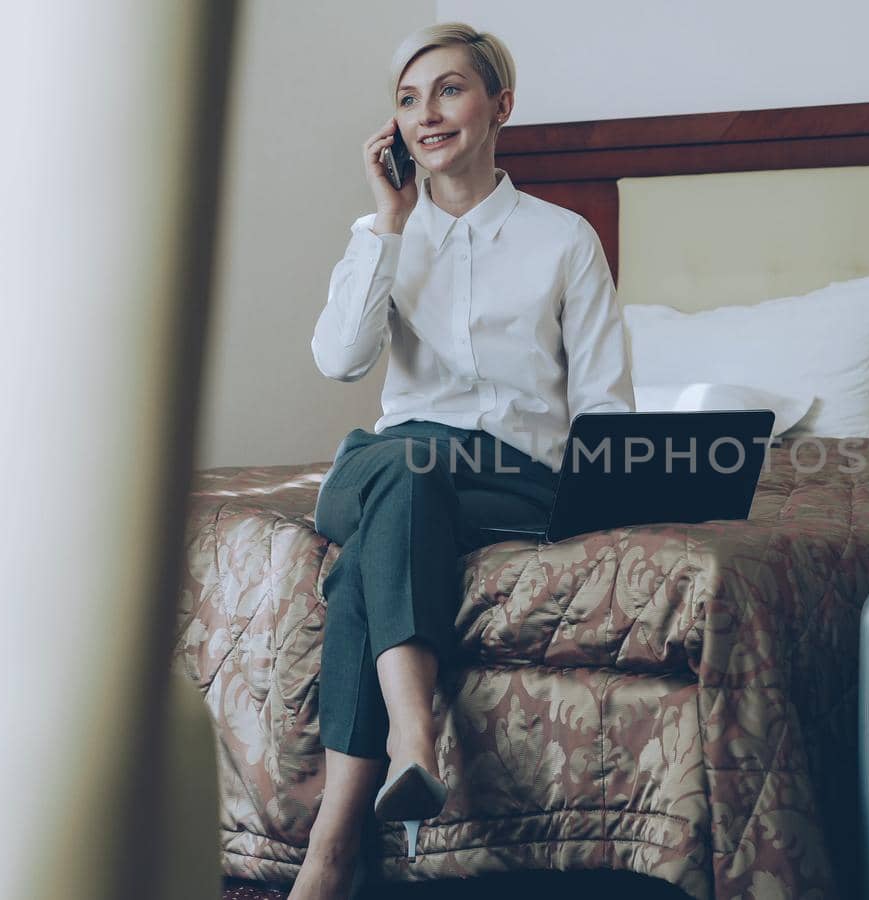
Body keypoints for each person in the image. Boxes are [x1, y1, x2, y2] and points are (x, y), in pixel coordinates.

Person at [288, 22, 634, 900]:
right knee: (400, 477)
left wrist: (608, 496)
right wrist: (390, 225)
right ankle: (411, 740)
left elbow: (603, 406)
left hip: (514, 480)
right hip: (403, 462)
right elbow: (340, 359)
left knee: (378, 525)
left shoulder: (564, 239)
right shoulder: (382, 234)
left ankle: (333, 848)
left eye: (448, 91)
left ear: (500, 107)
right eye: (408, 99)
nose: (425, 114)